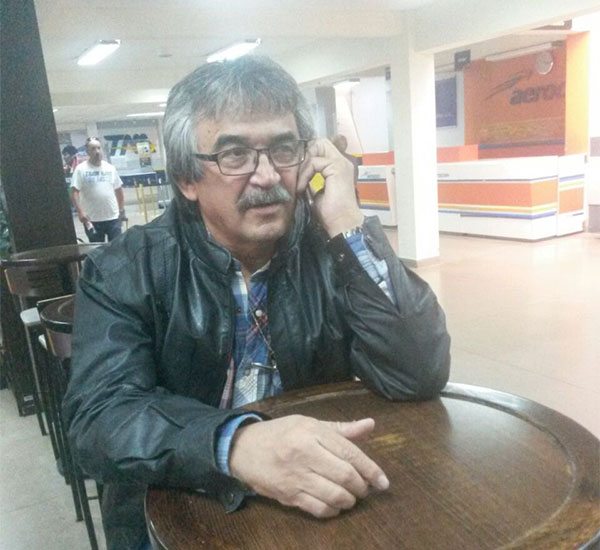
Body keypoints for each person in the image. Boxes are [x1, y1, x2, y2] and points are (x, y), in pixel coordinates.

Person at [63, 56, 451, 550]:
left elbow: (418, 372)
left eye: (283, 149)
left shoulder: (330, 250)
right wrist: (236, 444)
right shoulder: (125, 269)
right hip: (177, 512)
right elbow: (99, 417)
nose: (267, 176)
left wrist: (347, 221)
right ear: (186, 178)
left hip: (319, 506)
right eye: (235, 155)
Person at [70, 137, 126, 242]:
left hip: (113, 218)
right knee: (97, 249)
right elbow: (74, 192)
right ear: (87, 152)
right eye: (93, 149)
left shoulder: (110, 168)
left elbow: (119, 190)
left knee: (117, 247)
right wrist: (80, 212)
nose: (97, 151)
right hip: (92, 219)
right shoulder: (80, 169)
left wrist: (121, 210)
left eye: (99, 148)